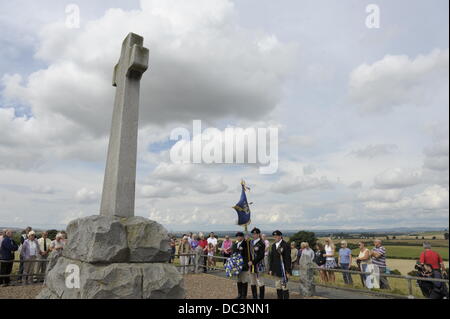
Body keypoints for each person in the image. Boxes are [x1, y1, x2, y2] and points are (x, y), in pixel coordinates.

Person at [269, 230, 291, 299]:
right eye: (274, 236)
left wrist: (288, 271)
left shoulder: (285, 245)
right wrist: (271, 269)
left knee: (284, 287)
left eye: (277, 236)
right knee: (278, 286)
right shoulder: (273, 245)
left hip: (283, 270)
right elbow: (271, 259)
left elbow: (288, 259)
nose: (276, 237)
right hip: (276, 269)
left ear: (280, 236)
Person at [248, 228, 266, 299]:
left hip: (259, 265)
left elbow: (261, 255)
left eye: (255, 234)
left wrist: (253, 262)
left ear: (258, 234)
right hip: (251, 266)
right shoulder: (251, 242)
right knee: (252, 281)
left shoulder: (261, 243)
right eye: (253, 234)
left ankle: (261, 297)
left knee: (260, 282)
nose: (254, 235)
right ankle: (254, 296)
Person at [232, 231, 250, 299]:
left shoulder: (245, 243)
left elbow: (247, 242)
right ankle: (239, 294)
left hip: (244, 265)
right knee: (239, 280)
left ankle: (244, 295)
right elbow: (233, 254)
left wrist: (246, 239)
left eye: (240, 236)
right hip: (237, 265)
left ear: (242, 237)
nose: (238, 237)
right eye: (237, 236)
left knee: (244, 280)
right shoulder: (235, 244)